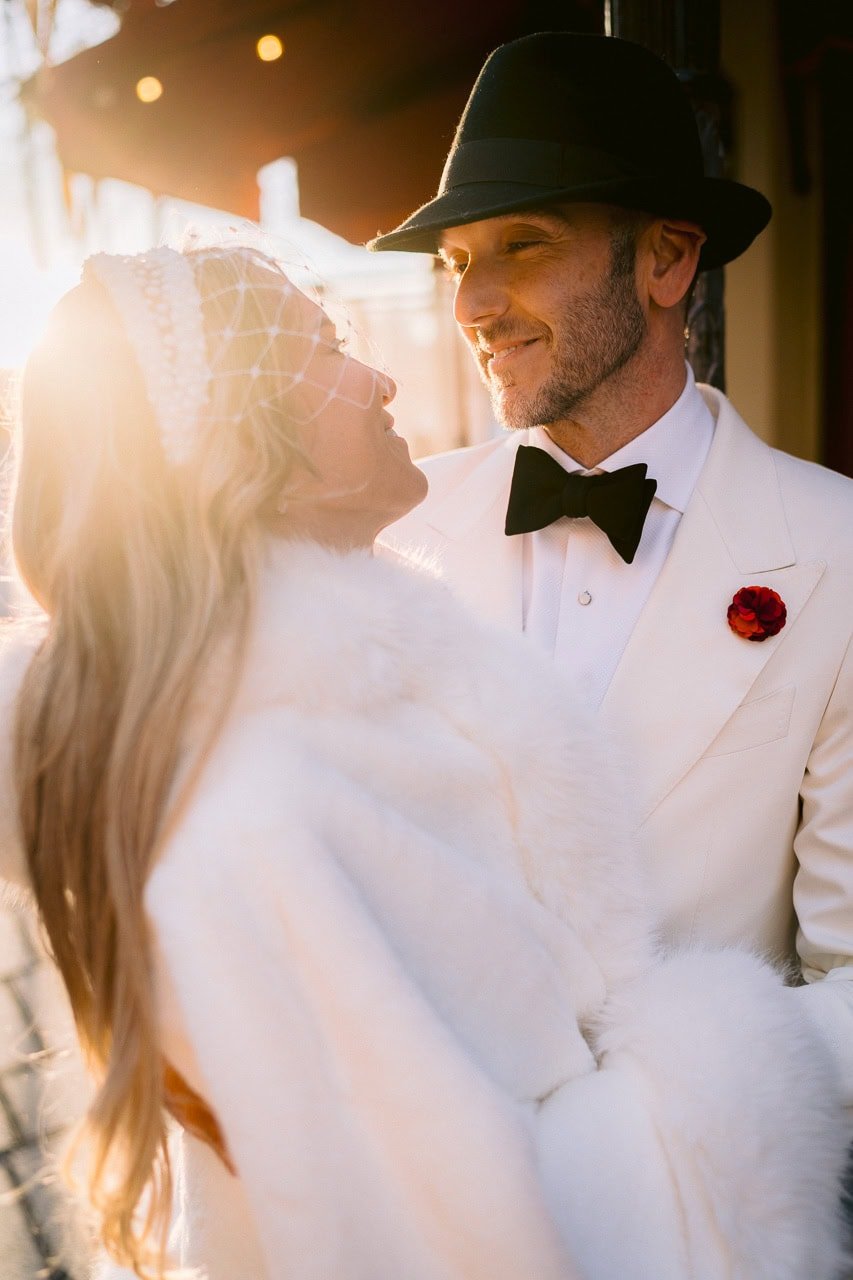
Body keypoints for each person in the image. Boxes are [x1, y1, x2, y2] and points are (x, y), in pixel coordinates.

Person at [0, 243, 848, 1280]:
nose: (387, 372)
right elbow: (446, 1228)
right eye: (329, 344)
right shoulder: (260, 811)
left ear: (667, 262)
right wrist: (725, 1080)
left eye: (525, 245)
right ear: (247, 437)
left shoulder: (361, 667)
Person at [371, 31, 853, 1112]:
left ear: (668, 261)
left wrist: (638, 1147)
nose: (470, 306)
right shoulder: (392, 532)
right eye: (457, 260)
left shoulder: (838, 551)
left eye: (523, 245)